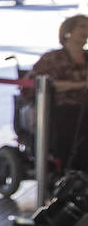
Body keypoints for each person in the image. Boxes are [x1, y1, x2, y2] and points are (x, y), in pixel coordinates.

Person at [29, 14, 88, 170]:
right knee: (74, 117)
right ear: (68, 31)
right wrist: (78, 85)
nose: (86, 30)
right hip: (62, 107)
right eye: (81, 26)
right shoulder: (53, 58)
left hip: (84, 105)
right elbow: (41, 83)